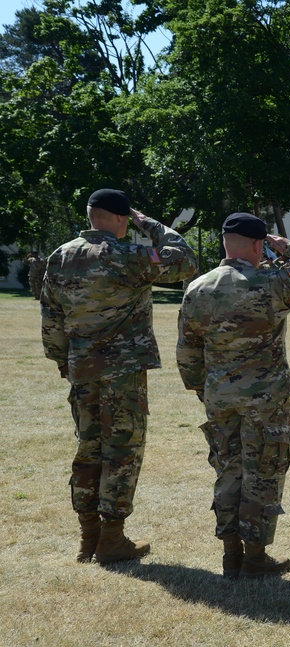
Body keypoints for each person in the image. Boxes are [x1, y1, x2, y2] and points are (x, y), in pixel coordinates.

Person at [40, 189, 198, 564]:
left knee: (88, 447)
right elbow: (185, 261)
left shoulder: (61, 256)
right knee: (122, 450)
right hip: (123, 371)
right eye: (128, 218)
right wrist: (150, 223)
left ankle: (87, 538)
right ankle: (111, 538)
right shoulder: (127, 255)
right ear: (121, 217)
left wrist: (63, 360)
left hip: (82, 368)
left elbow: (51, 317)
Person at [177, 212, 290, 579]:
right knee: (263, 471)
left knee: (227, 470)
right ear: (256, 244)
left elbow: (187, 352)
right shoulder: (272, 281)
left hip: (219, 396)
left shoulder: (198, 287)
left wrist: (205, 388)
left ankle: (230, 554)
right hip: (265, 397)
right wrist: (287, 246)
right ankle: (255, 555)